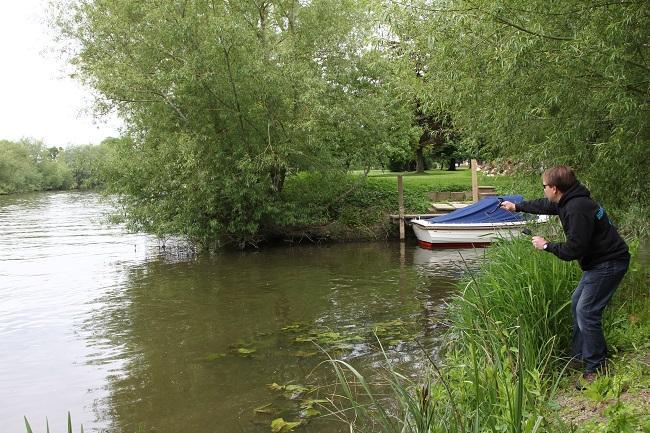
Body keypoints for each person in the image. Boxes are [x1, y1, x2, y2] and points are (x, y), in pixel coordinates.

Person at [500, 165, 630, 387]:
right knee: (578, 304)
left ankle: (596, 369)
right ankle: (581, 357)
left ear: (554, 188)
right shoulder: (570, 199)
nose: (543, 191)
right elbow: (544, 205)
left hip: (609, 263)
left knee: (586, 311)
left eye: (544, 187)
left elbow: (574, 250)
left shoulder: (576, 208)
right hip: (600, 263)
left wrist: (546, 245)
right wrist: (517, 206)